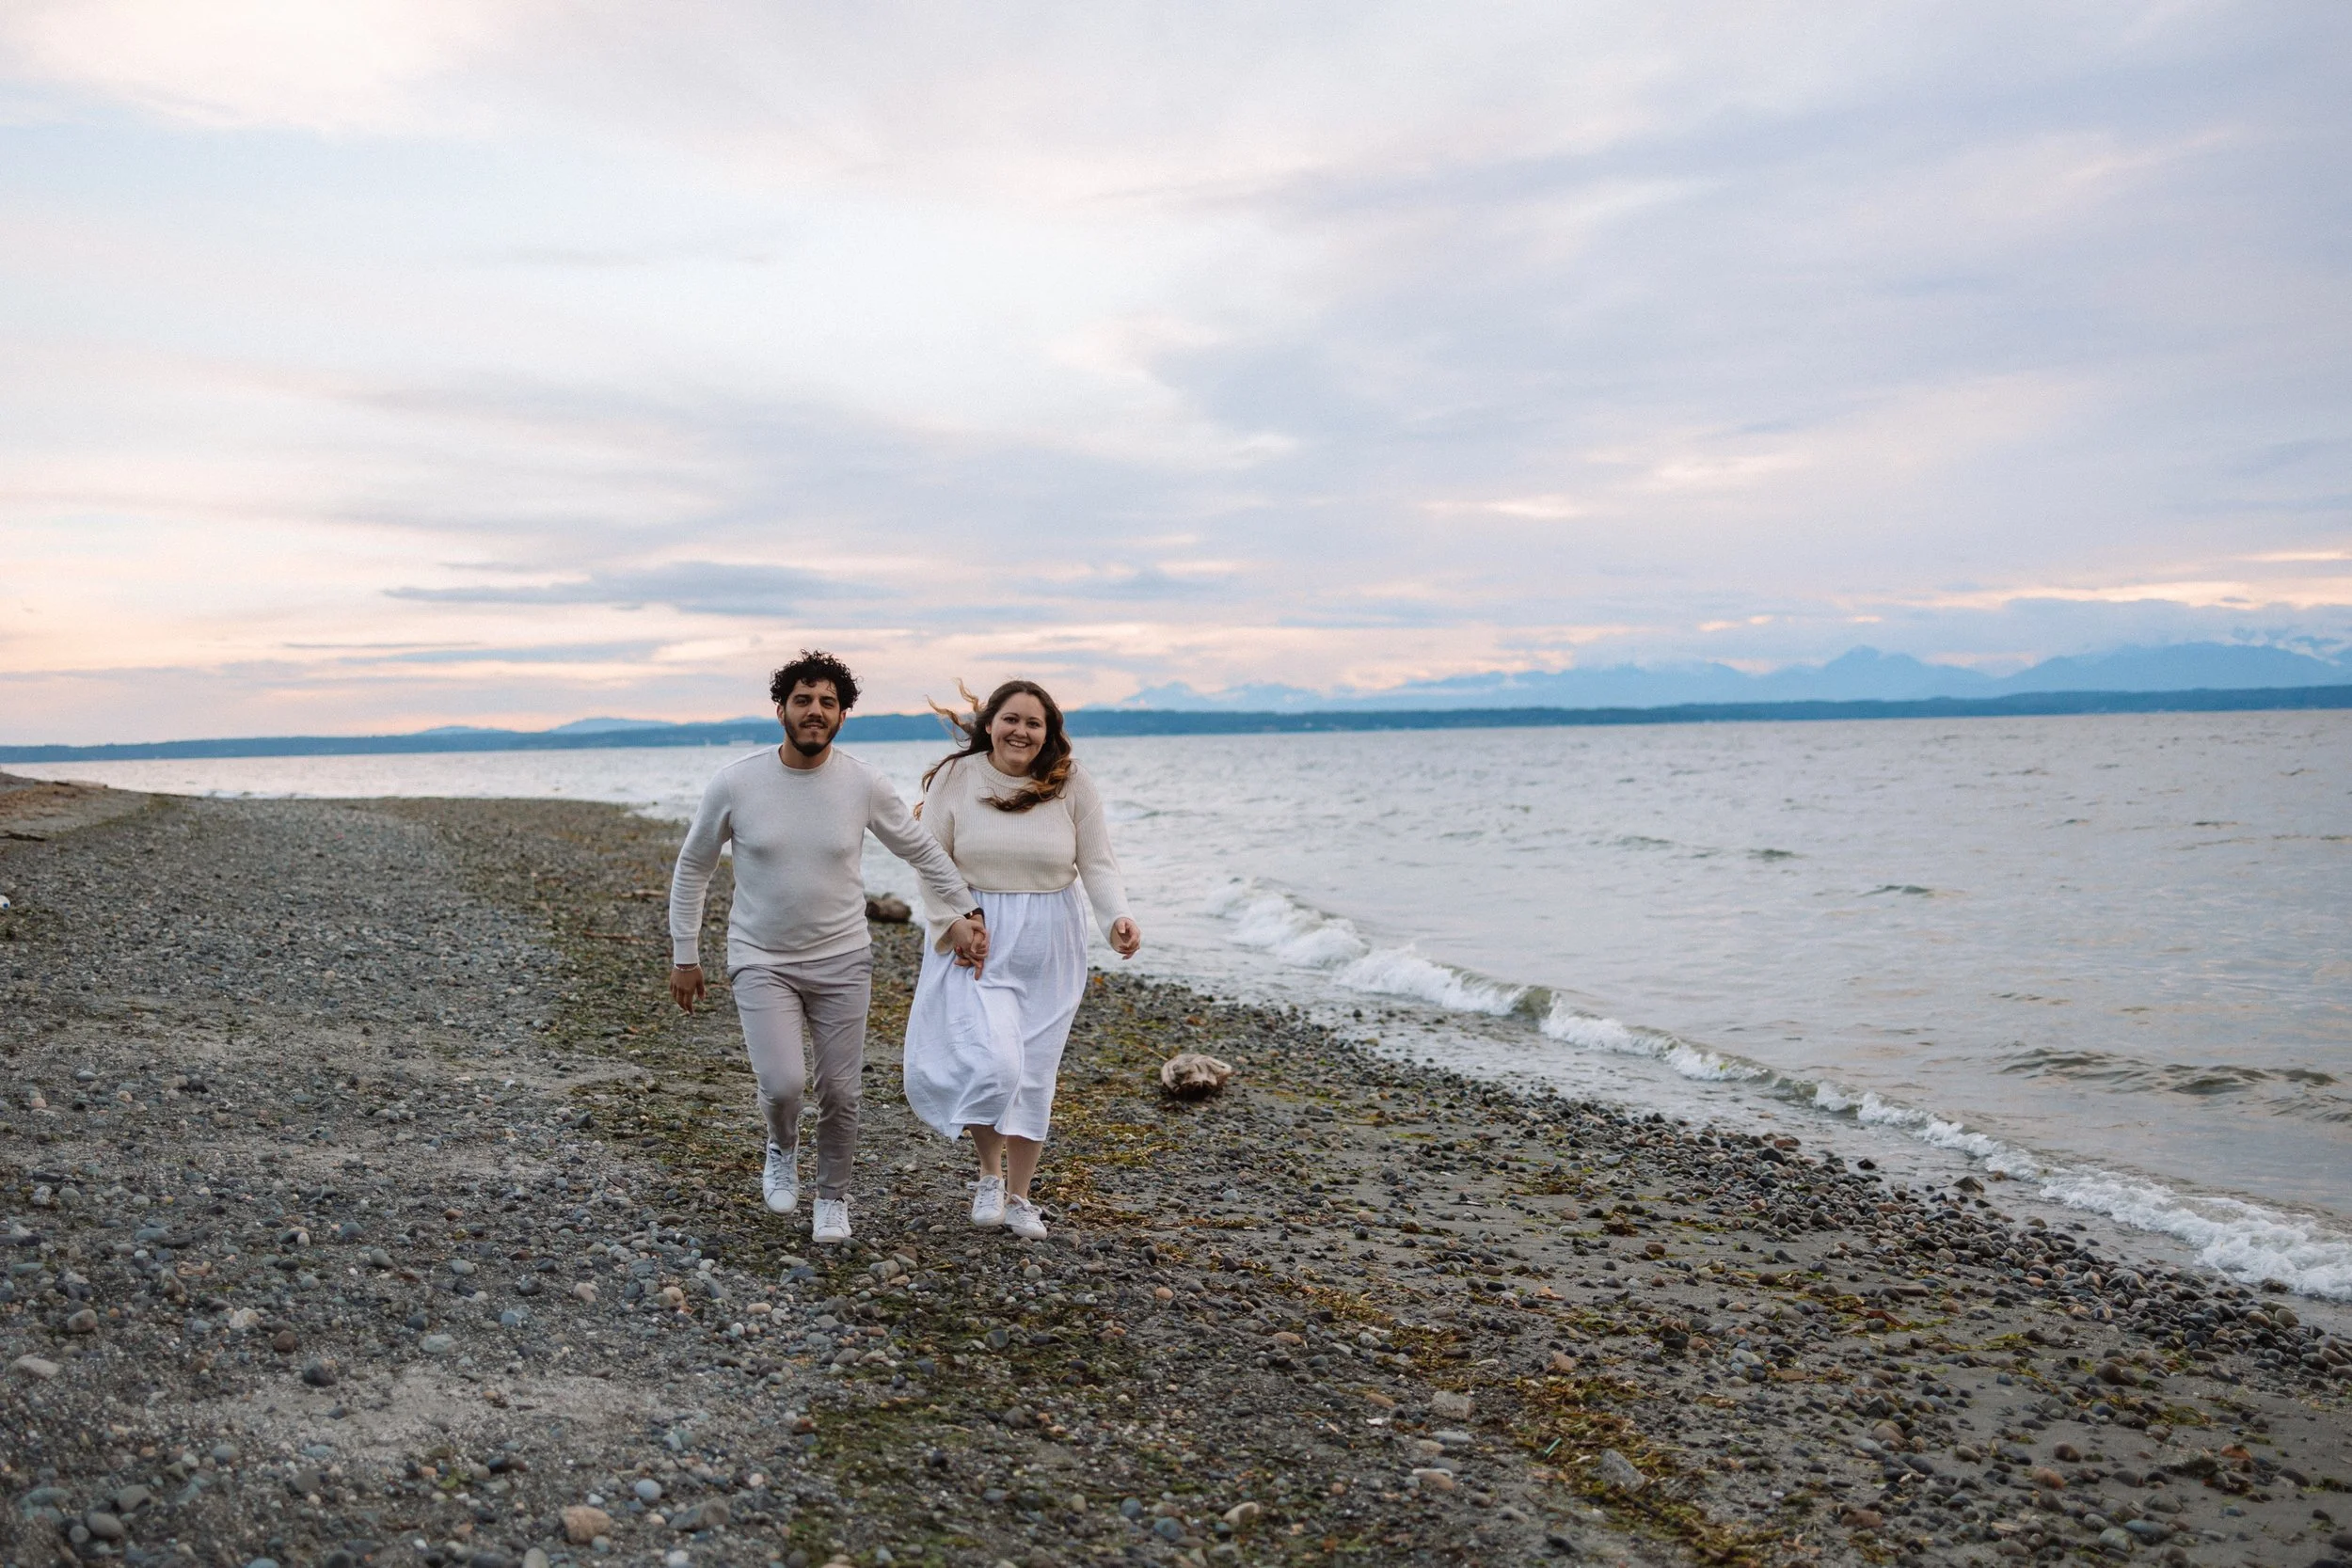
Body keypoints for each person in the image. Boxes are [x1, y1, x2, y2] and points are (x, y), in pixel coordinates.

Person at [668, 650, 987, 1245]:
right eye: (803, 701)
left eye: (828, 703)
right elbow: (694, 868)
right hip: (761, 959)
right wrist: (686, 954)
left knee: (841, 1089)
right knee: (784, 1083)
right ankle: (781, 1147)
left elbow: (920, 849)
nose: (815, 712)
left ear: (843, 715)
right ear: (781, 709)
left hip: (843, 959)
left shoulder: (863, 783)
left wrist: (966, 910)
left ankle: (833, 1198)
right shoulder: (737, 782)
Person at [901, 679, 1140, 1241]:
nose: (1021, 732)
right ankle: (988, 1173)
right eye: (1011, 719)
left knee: (1034, 1074)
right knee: (993, 1061)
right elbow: (928, 858)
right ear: (989, 723)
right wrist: (955, 919)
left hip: (1053, 940)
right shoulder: (960, 778)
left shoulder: (1071, 782)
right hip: (979, 934)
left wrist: (1116, 920)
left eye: (1034, 723)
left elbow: (1098, 863)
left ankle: (1020, 1197)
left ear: (1048, 732)